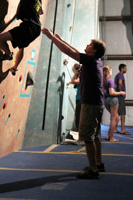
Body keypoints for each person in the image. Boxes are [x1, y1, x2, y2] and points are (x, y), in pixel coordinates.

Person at [41, 28, 106, 180]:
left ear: (94, 50)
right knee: (95, 135)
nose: (87, 45)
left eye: (90, 44)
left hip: (90, 105)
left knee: (87, 137)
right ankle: (98, 163)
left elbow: (70, 53)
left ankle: (93, 169)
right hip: (96, 104)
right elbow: (75, 51)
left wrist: (51, 37)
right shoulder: (95, 61)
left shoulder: (90, 61)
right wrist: (61, 39)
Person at [103, 66, 125, 142]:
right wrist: (121, 92)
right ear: (109, 72)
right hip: (112, 100)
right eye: (111, 71)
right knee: (113, 119)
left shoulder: (103, 81)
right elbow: (111, 93)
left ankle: (108, 135)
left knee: (117, 118)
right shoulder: (110, 81)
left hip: (106, 100)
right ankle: (111, 137)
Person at [114, 64, 131, 135]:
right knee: (123, 113)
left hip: (117, 96)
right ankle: (122, 129)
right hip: (120, 97)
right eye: (125, 68)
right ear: (122, 69)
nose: (126, 69)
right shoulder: (120, 75)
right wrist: (121, 91)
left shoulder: (117, 75)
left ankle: (114, 128)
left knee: (117, 113)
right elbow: (120, 83)